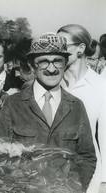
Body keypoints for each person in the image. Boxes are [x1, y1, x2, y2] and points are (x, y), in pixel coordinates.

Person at [0, 33, 96, 190]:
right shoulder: (13, 105)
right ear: (32, 65)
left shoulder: (76, 106)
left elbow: (86, 157)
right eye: (43, 62)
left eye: (58, 61)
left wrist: (74, 188)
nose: (51, 69)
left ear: (66, 63)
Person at [57, 24, 106, 193]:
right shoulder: (54, 84)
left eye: (63, 45)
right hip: (53, 173)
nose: (57, 51)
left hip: (91, 175)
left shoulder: (101, 86)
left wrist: (104, 182)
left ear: (81, 48)